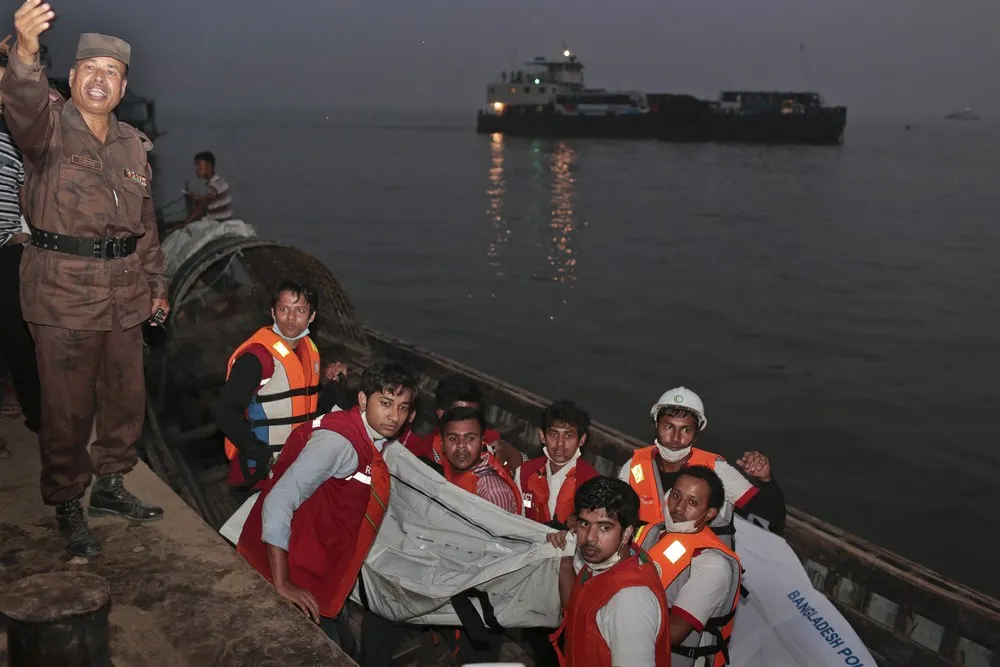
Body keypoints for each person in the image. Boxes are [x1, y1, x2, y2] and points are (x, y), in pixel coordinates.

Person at [2, 3, 169, 557]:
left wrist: (157, 286)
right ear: (72, 78)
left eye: (112, 71)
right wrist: (25, 51)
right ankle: (68, 499)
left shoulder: (133, 146)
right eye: (90, 69)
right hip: (62, 288)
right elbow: (23, 103)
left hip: (125, 289)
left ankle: (112, 485)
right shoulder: (47, 130)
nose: (100, 79)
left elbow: (145, 225)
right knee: (67, 406)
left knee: (125, 398)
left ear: (123, 86)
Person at [236, 362, 418, 654]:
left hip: (320, 564)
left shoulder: (367, 437)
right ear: (362, 399)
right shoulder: (338, 443)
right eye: (386, 403)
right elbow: (280, 499)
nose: (395, 416)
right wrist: (282, 583)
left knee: (344, 644)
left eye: (403, 408)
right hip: (295, 569)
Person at [213, 280, 351, 488]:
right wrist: (256, 450)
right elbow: (224, 411)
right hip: (259, 471)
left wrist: (333, 384)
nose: (291, 318)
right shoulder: (257, 358)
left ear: (311, 316)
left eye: (300, 311)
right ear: (273, 312)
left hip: (297, 466)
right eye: (284, 309)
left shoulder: (308, 352)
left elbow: (305, 409)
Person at [619, 386, 785, 547]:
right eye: (668, 427)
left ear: (697, 433)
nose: (675, 438)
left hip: (702, 566)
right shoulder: (633, 467)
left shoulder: (718, 471)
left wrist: (765, 479)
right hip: (644, 563)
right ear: (656, 425)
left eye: (685, 430)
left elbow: (773, 518)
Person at [547, 476, 671, 667]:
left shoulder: (630, 604)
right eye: (584, 524)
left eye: (605, 527)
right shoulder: (605, 559)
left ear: (628, 532)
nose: (590, 538)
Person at [640, 466, 742, 667]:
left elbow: (673, 634)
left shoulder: (712, 565)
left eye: (692, 502)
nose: (678, 507)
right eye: (676, 495)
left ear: (710, 513)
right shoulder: (653, 534)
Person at [0, 46, 41, 441]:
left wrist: (24, 234)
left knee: (18, 338)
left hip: (10, 253)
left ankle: (38, 417)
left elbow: (25, 190)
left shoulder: (15, 138)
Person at [400, 373, 524, 473]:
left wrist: (513, 456)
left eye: (474, 415)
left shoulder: (491, 440)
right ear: (441, 414)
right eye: (461, 414)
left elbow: (532, 478)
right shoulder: (420, 454)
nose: (469, 421)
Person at [515, 399, 599, 529]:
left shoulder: (593, 483)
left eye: (568, 435)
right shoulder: (524, 473)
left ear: (581, 440)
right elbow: (515, 520)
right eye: (553, 434)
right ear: (543, 436)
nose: (560, 443)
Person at [437, 406, 521, 514]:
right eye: (453, 438)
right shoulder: (440, 472)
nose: (461, 445)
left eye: (470, 438)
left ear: (482, 442)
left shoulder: (492, 493)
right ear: (442, 444)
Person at [179, 150, 232, 224]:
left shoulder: (213, 185)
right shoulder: (220, 181)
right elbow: (209, 199)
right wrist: (197, 197)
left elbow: (200, 208)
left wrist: (184, 223)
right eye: (196, 165)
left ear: (209, 165)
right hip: (225, 220)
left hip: (217, 222)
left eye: (199, 165)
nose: (196, 169)